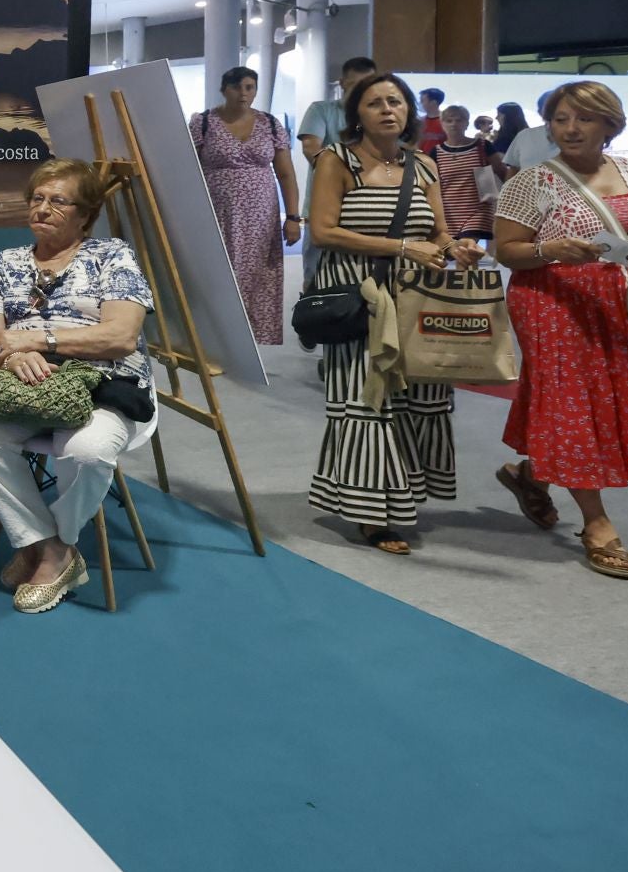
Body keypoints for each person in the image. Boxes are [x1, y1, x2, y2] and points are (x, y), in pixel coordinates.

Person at [0, 159, 157, 613]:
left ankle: (52, 550)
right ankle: (48, 545)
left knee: (86, 451)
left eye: (58, 201)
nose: (42, 209)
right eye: (37, 199)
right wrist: (13, 353)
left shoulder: (112, 257)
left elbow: (121, 336)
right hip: (25, 382)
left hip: (103, 383)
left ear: (85, 214)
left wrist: (41, 339)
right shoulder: (8, 263)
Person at [306, 73, 484, 553]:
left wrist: (458, 246)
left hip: (415, 293)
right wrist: (403, 245)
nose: (387, 110)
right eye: (374, 103)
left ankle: (397, 496)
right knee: (369, 398)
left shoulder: (423, 165)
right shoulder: (335, 160)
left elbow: (440, 230)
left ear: (409, 111)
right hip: (359, 294)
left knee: (414, 397)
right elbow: (323, 231)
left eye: (396, 102)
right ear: (356, 115)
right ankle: (370, 512)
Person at [491, 82, 628, 580]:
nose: (570, 129)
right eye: (560, 119)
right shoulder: (533, 181)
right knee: (571, 401)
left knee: (591, 397)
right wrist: (553, 250)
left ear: (610, 124)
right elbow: (507, 249)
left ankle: (529, 475)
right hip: (550, 300)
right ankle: (597, 522)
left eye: (583, 118)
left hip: (613, 300)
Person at [191, 66, 299, 344]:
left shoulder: (270, 124)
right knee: (217, 271)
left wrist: (294, 217)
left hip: (261, 214)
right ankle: (217, 335)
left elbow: (286, 173)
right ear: (223, 89)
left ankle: (251, 337)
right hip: (217, 211)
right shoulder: (203, 123)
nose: (243, 94)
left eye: (250, 87)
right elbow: (186, 168)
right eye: (236, 87)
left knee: (260, 273)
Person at [296, 57, 377, 299]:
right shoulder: (321, 110)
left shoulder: (377, 117)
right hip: (324, 208)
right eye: (355, 84)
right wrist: (350, 172)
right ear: (342, 83)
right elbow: (311, 148)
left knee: (365, 277)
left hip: (368, 209)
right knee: (316, 272)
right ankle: (310, 323)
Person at [427, 104, 506, 240]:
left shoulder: (482, 146)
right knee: (456, 254)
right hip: (448, 211)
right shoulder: (436, 152)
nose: (454, 124)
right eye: (449, 121)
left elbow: (502, 172)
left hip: (478, 209)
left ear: (466, 123)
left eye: (459, 120)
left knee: (466, 246)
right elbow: (430, 182)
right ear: (443, 123)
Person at [504, 93, 558, 175]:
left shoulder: (581, 138)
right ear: (540, 112)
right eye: (549, 108)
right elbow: (513, 170)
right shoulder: (524, 136)